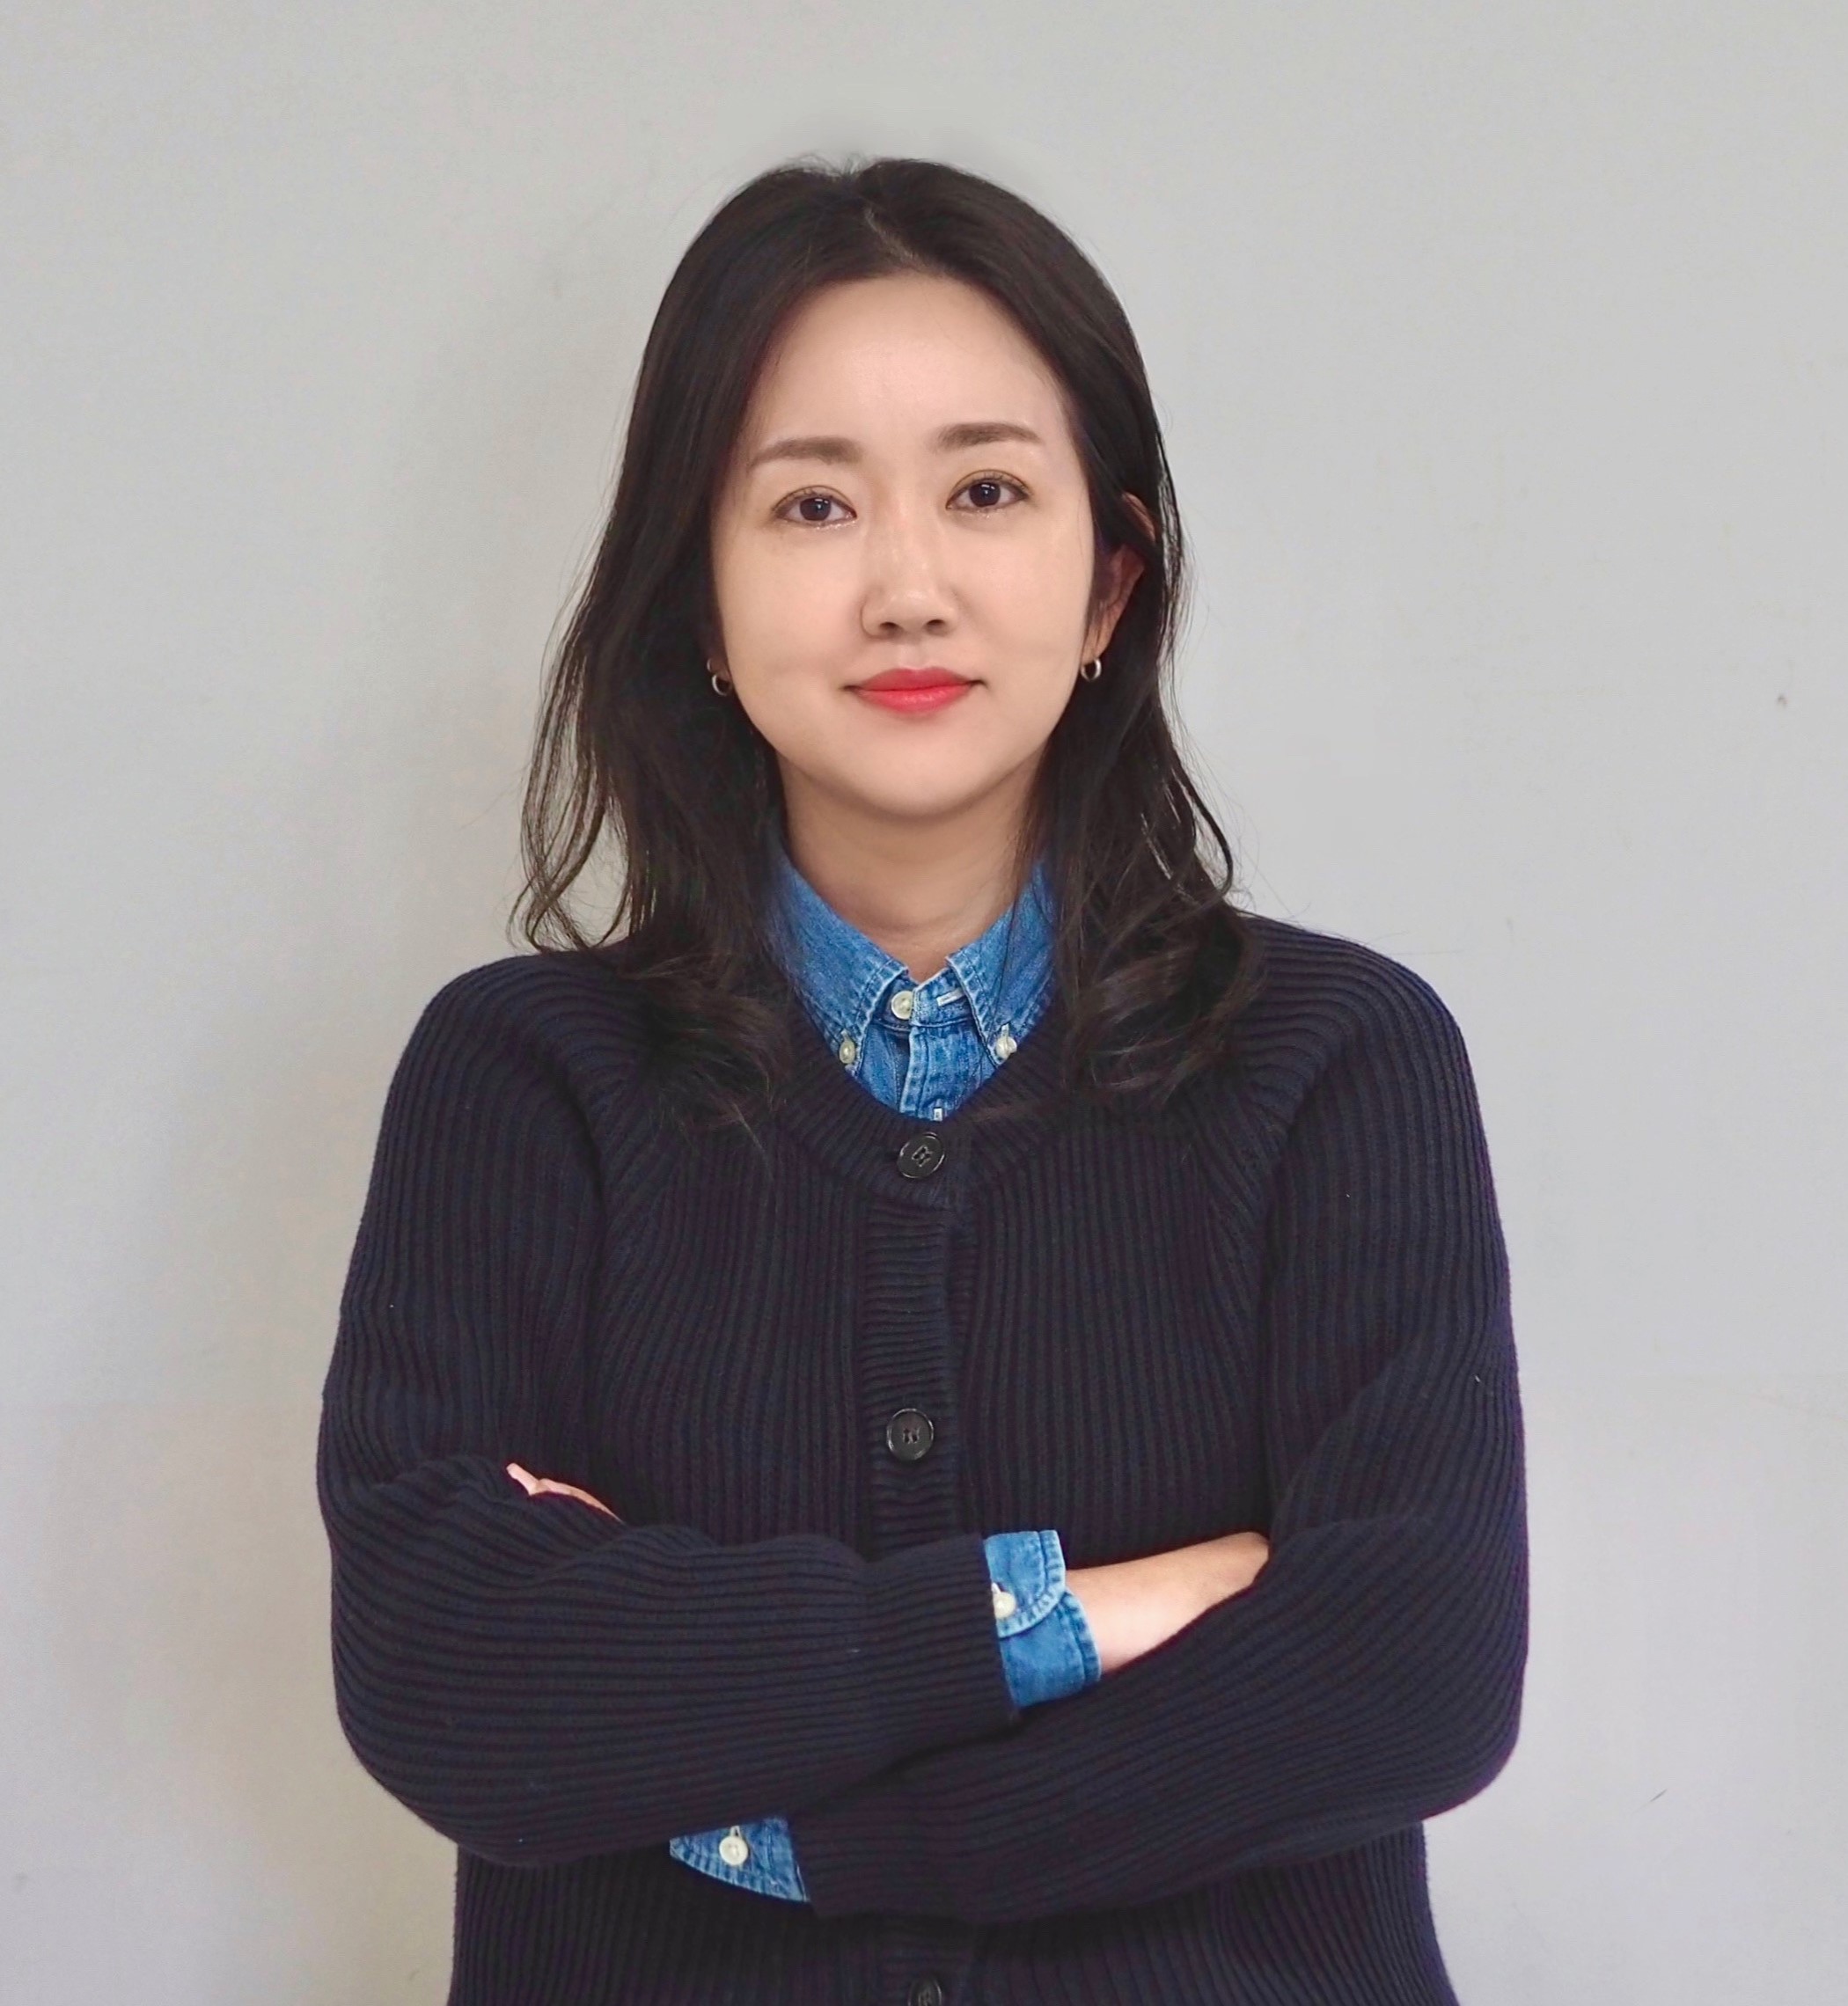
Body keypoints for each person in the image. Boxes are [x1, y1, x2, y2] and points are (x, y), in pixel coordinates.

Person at [317, 155, 1529, 2006]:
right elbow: (448, 1671)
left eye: (986, 491)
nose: (905, 587)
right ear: (698, 600)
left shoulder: (1339, 1065)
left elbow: (1412, 1672)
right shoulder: (526, 1085)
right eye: (811, 504)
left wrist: (836, 1817)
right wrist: (1073, 1617)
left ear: (1113, 582)